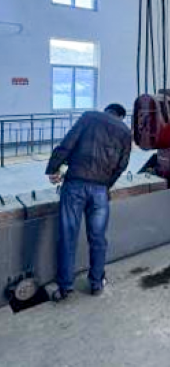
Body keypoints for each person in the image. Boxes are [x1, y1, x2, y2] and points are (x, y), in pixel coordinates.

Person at [46, 104, 132, 301]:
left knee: (68, 235)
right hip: (100, 191)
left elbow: (68, 144)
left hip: (75, 185)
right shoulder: (125, 132)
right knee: (98, 238)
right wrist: (106, 185)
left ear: (106, 111)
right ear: (121, 116)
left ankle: (65, 287)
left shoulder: (89, 117)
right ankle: (96, 283)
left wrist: (53, 168)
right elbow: (122, 165)